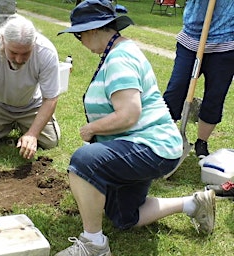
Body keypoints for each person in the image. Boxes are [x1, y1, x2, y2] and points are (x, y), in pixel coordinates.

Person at [55, 1, 215, 255]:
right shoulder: (119, 51)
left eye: (79, 34)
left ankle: (93, 244)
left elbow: (129, 114)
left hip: (150, 146)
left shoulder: (120, 58)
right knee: (122, 217)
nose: (79, 41)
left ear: (95, 30)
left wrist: (91, 129)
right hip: (145, 146)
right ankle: (192, 204)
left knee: (84, 161)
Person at [0, 14, 61, 160]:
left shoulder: (46, 52)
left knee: (50, 141)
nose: (19, 59)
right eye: (14, 52)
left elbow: (50, 99)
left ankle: (21, 127)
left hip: (30, 106)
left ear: (34, 43)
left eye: (25, 53)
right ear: (3, 40)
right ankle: (6, 125)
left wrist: (32, 134)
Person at [163, 0, 234, 158]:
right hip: (191, 38)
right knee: (177, 88)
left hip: (226, 43)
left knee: (215, 96)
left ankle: (201, 142)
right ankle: (164, 136)